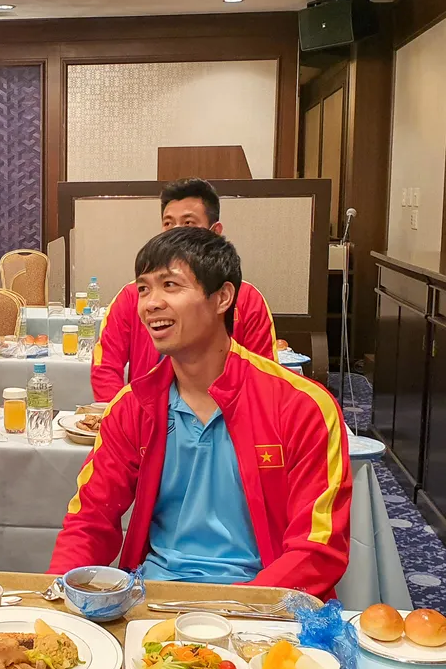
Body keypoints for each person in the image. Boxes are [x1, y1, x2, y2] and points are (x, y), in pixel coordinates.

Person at [50, 227, 351, 598]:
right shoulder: (133, 406)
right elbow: (89, 519)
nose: (150, 304)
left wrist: (236, 608)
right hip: (156, 597)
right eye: (143, 288)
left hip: (264, 604)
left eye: (170, 285)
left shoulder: (301, 405)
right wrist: (59, 595)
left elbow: (317, 548)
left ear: (222, 297)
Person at [91, 178, 278, 401]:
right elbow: (105, 366)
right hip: (147, 412)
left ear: (215, 232)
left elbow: (264, 373)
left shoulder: (246, 298)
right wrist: (122, 414)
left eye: (188, 223)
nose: (175, 233)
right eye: (168, 224)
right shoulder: (133, 297)